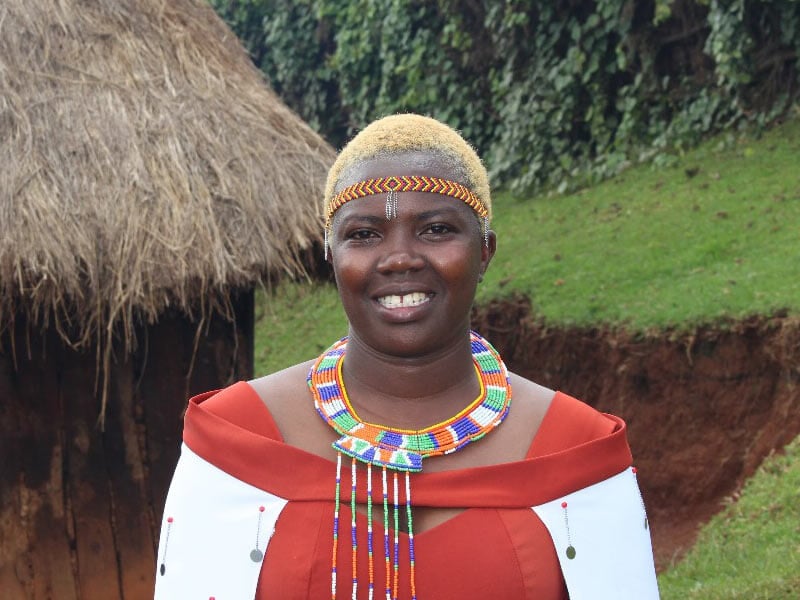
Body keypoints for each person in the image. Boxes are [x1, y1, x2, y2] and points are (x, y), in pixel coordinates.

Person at [154, 114, 659, 599]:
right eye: (364, 234)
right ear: (331, 256)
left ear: (485, 251)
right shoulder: (236, 439)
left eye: (436, 229)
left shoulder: (576, 449)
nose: (399, 258)